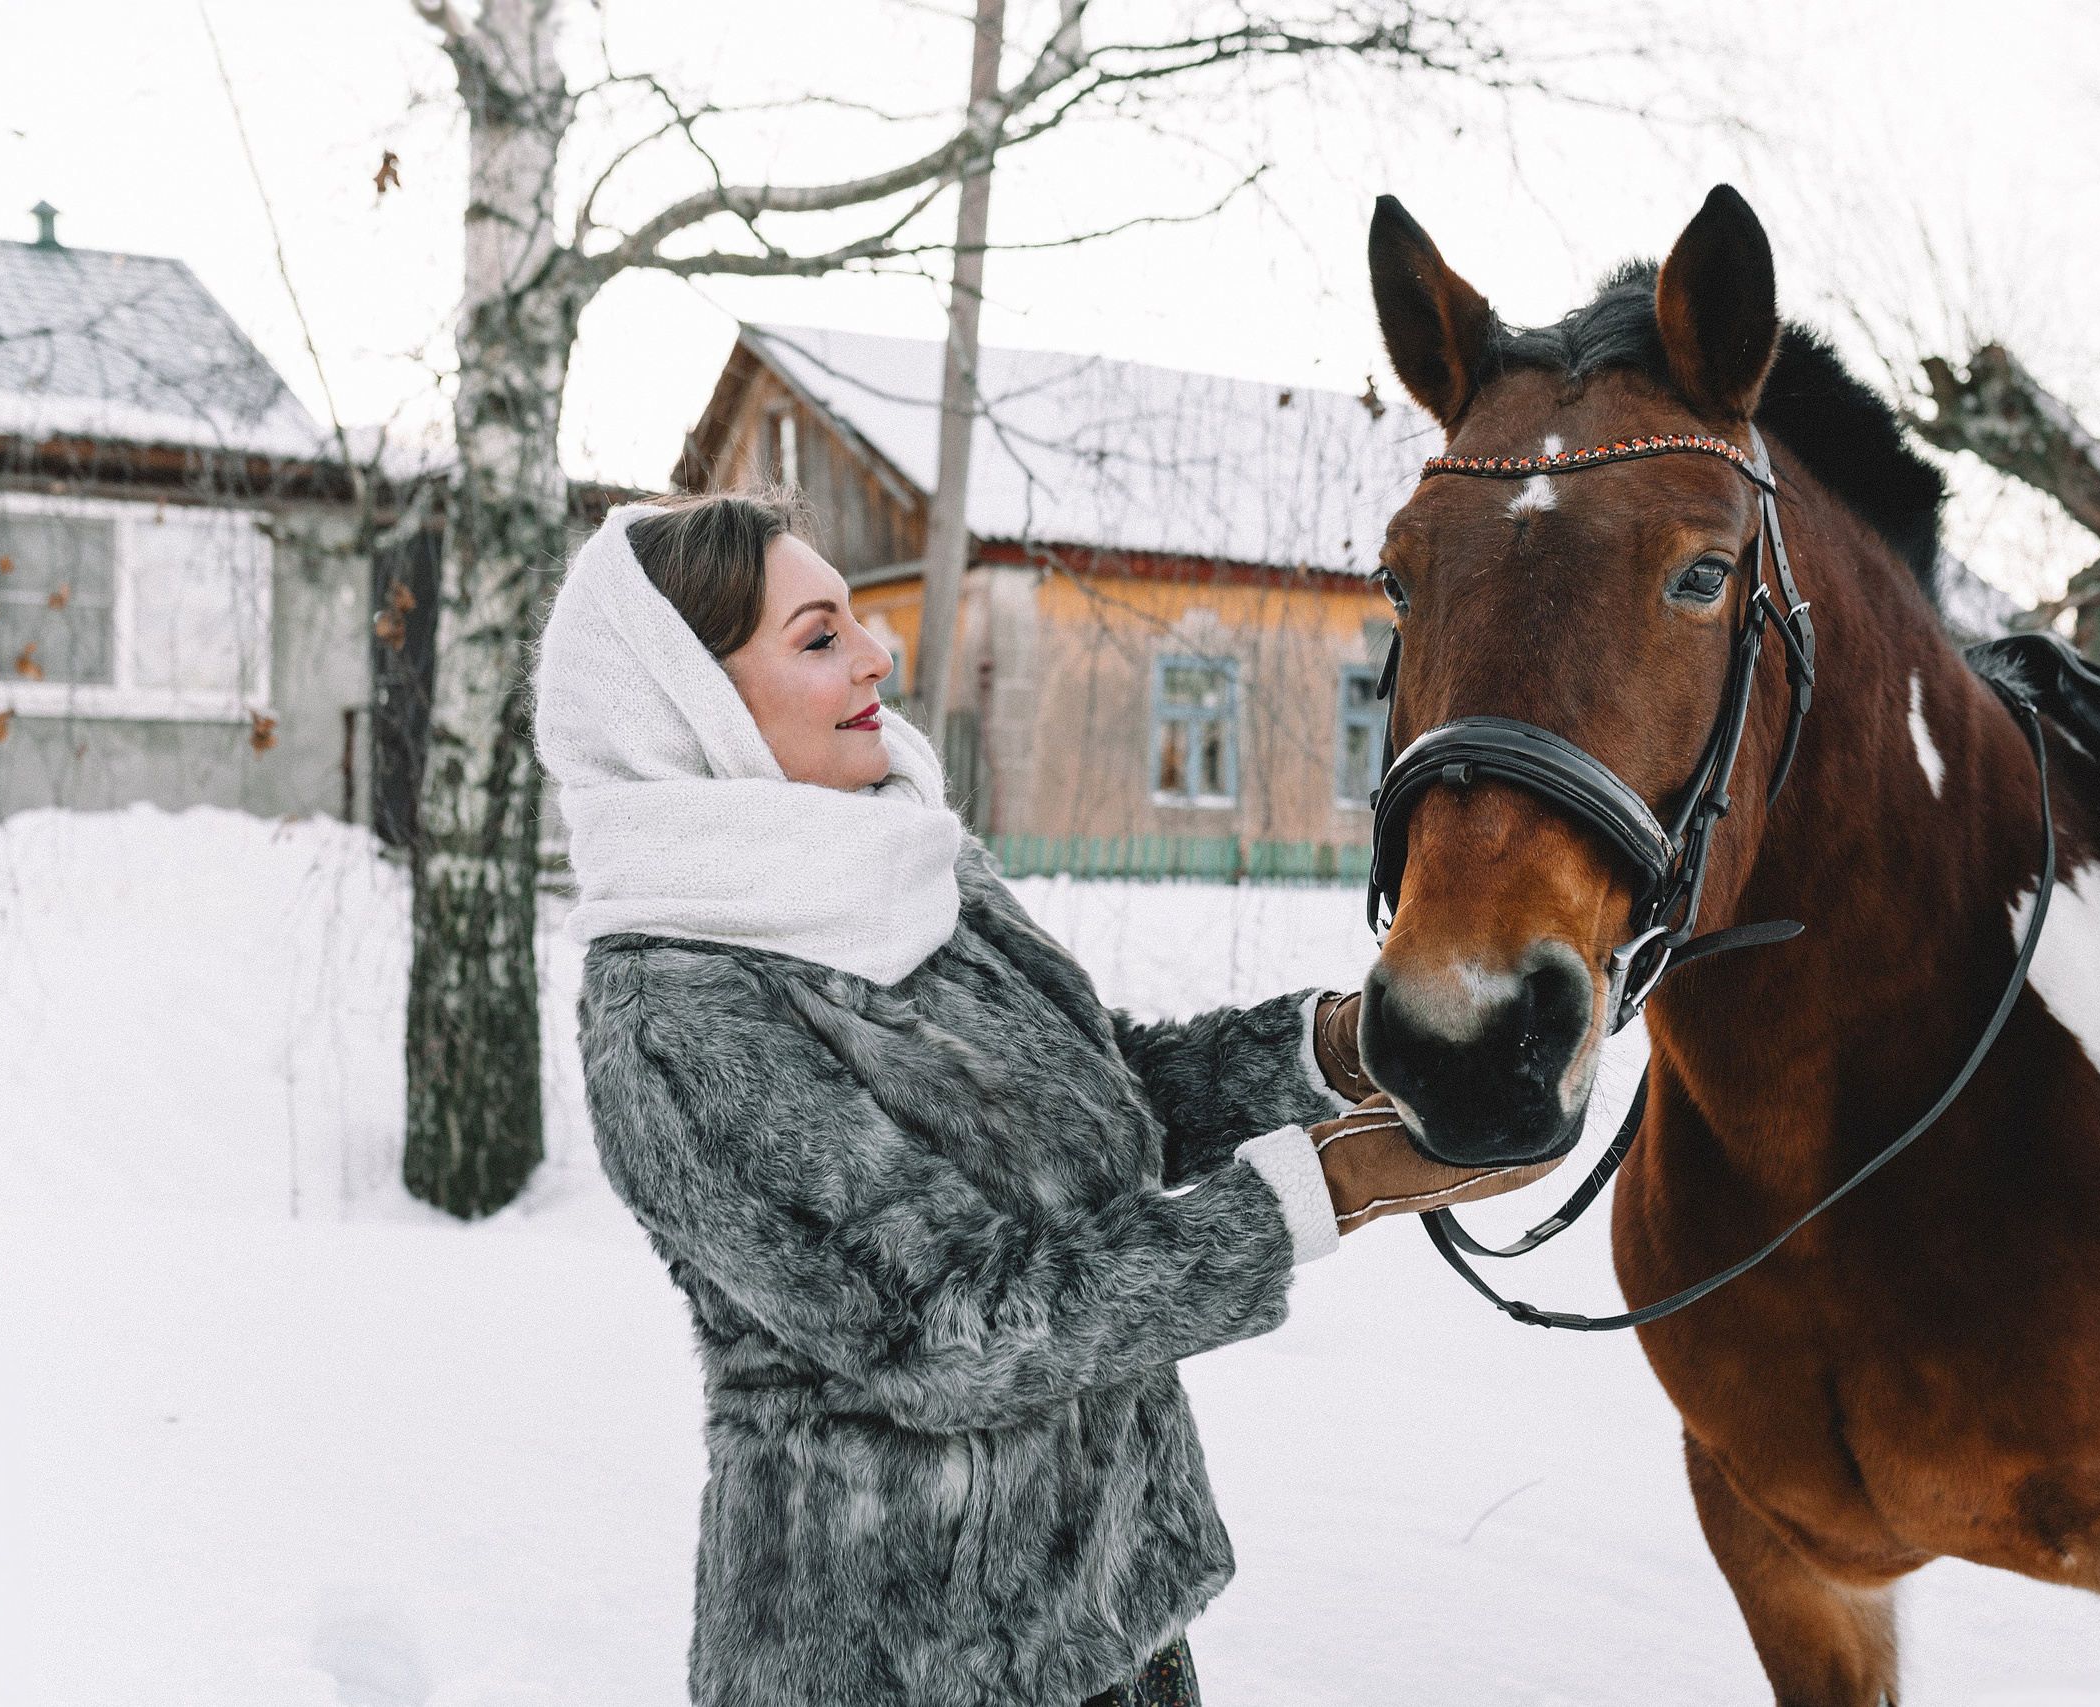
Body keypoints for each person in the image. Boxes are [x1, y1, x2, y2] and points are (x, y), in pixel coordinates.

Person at [532, 490, 1555, 1707]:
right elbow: (946, 1330)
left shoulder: (900, 864)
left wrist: (1332, 1051)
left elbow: (1086, 1103)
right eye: (818, 638)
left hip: (1109, 1613)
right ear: (691, 709)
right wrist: (1317, 1193)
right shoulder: (677, 1009)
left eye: (856, 619)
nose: (877, 653)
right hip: (899, 1660)